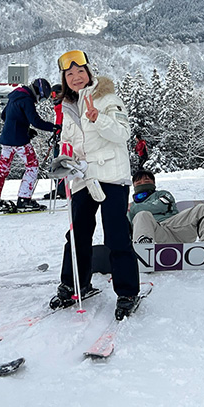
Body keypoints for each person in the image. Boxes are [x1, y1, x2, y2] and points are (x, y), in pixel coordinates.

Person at [49, 49, 140, 320]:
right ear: (65, 79)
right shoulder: (67, 106)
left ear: (89, 72)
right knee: (77, 235)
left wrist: (96, 117)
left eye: (80, 71)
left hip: (111, 176)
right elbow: (70, 142)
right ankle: (74, 283)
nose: (76, 77)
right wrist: (64, 159)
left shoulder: (107, 97)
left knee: (115, 235)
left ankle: (127, 292)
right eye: (70, 74)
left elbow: (123, 133)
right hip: (82, 177)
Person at [0, 77, 58, 212]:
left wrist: (21, 126)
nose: (39, 101)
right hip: (20, 141)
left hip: (6, 139)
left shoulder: (15, 96)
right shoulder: (27, 100)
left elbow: (4, 116)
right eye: (41, 98)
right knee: (32, 166)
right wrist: (54, 127)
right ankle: (24, 199)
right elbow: (36, 121)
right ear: (38, 91)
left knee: (2, 169)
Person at [128, 169, 204, 243]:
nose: (143, 183)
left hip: (176, 227)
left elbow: (161, 205)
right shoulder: (131, 207)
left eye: (147, 180)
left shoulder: (163, 194)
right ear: (134, 185)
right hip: (156, 234)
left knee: (202, 208)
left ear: (153, 183)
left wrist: (132, 208)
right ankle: (144, 249)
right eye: (139, 182)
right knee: (142, 216)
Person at [42, 84, 68, 200]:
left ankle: (61, 188)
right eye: (51, 95)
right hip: (59, 137)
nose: (53, 97)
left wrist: (60, 134)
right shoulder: (59, 107)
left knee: (58, 163)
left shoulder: (64, 106)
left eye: (55, 94)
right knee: (57, 163)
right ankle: (60, 188)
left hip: (63, 139)